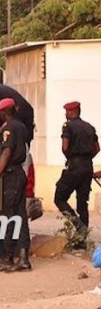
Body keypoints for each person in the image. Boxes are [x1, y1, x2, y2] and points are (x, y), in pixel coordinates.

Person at [0, 98, 31, 273]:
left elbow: (6, 153)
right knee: (20, 216)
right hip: (19, 173)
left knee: (9, 216)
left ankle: (7, 258)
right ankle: (23, 259)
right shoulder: (21, 126)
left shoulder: (8, 128)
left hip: (11, 175)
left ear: (3, 112)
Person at [54, 101, 99, 248]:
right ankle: (82, 240)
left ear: (72, 112)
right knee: (82, 203)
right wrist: (87, 158)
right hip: (88, 167)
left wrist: (72, 158)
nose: (65, 114)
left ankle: (78, 225)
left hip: (74, 167)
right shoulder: (89, 127)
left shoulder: (68, 126)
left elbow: (65, 147)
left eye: (67, 112)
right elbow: (97, 148)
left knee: (59, 198)